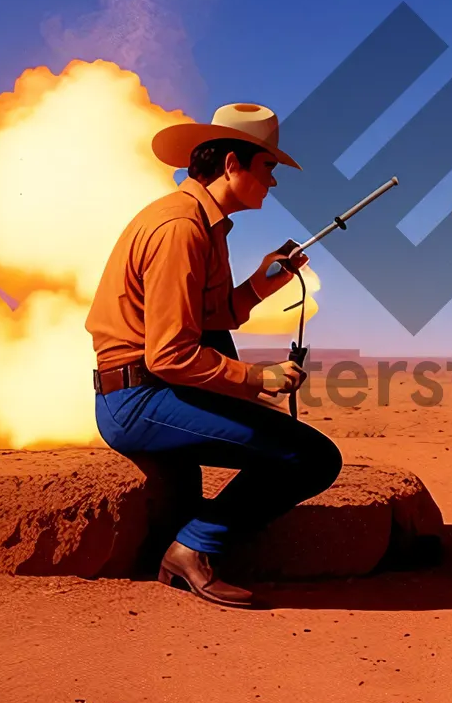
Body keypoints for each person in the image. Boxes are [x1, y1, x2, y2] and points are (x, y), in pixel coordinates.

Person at [86, 103, 342, 608]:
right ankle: (193, 548)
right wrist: (256, 378)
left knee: (289, 444)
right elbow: (170, 353)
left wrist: (264, 282)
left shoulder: (206, 225)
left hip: (159, 391)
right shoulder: (180, 228)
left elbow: (212, 317)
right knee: (311, 457)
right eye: (267, 168)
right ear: (232, 164)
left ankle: (190, 541)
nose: (272, 183)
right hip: (139, 398)